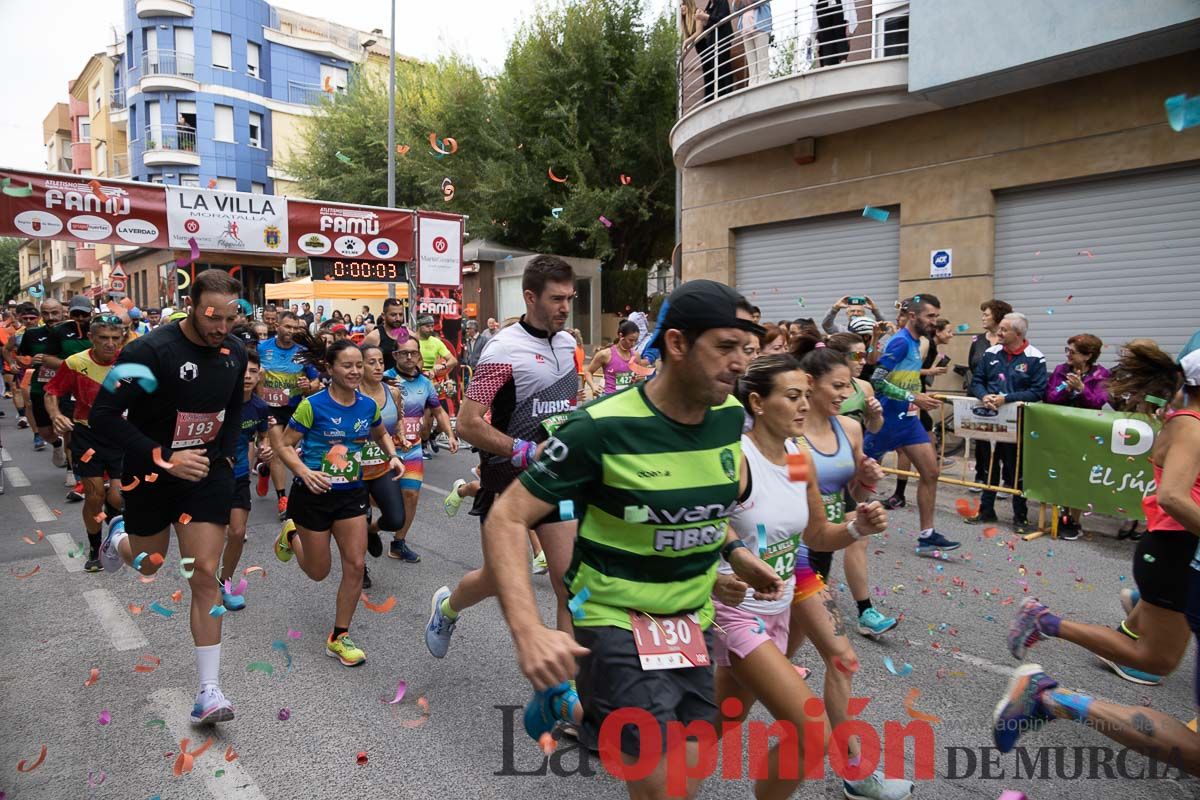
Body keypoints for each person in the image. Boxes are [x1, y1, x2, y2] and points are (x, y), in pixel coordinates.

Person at [483, 280, 786, 799]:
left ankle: (567, 704)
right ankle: (578, 699)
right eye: (725, 347)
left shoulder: (729, 418)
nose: (740, 363)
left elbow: (702, 502)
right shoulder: (597, 428)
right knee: (665, 780)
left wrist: (733, 551)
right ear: (676, 344)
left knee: (690, 762)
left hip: (691, 621)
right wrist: (528, 630)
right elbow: (507, 518)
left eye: (747, 349)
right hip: (614, 619)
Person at [995, 347, 1200, 770]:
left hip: (1176, 554)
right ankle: (1048, 685)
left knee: (1154, 657)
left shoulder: (1186, 422)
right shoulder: (1191, 427)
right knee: (1151, 659)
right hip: (1174, 553)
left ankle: (1048, 633)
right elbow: (1174, 496)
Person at [712, 353, 903, 800]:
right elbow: (692, 525)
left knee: (726, 716)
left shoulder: (798, 457)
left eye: (805, 396)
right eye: (793, 396)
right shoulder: (735, 460)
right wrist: (727, 563)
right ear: (757, 403)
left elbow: (816, 534)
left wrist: (858, 526)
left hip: (789, 589)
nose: (804, 404)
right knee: (811, 731)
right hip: (737, 611)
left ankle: (656, 759)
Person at [95, 270, 248, 723]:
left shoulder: (235, 351)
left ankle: (208, 691)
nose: (222, 326)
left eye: (230, 317)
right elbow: (103, 416)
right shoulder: (148, 351)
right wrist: (164, 456)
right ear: (191, 304)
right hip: (151, 473)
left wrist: (225, 460)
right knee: (149, 562)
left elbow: (233, 412)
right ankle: (117, 537)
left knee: (205, 574)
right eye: (212, 316)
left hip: (205, 473)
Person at [425, 256, 582, 661]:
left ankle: (568, 697)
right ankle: (447, 607)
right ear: (530, 297)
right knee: (499, 578)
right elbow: (468, 423)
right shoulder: (503, 350)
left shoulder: (569, 344)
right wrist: (525, 449)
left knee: (570, 585)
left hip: (556, 479)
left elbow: (566, 406)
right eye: (556, 298)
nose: (565, 307)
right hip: (508, 480)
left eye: (570, 297)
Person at [273, 340, 405, 667]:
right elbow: (285, 446)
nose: (356, 371)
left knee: (356, 565)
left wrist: (393, 456)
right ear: (330, 369)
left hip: (352, 494)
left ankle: (339, 637)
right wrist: (304, 471)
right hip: (314, 495)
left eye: (359, 365)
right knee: (319, 571)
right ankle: (291, 535)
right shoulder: (312, 405)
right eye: (348, 366)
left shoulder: (366, 405)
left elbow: (380, 432)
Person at [794, 338, 898, 645]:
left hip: (825, 538)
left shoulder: (850, 429)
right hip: (791, 546)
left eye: (848, 386)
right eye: (837, 386)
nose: (845, 394)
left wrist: (866, 480)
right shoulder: (786, 431)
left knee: (796, 636)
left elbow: (856, 494)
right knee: (837, 650)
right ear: (810, 383)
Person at [863, 294, 959, 554]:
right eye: (931, 316)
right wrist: (912, 396)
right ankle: (834, 526)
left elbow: (908, 377)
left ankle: (927, 536)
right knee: (857, 479)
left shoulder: (920, 342)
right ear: (914, 316)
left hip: (907, 421)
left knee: (931, 472)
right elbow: (878, 380)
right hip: (884, 420)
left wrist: (917, 399)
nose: (935, 321)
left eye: (937, 316)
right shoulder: (900, 343)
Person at [44, 313, 125, 573]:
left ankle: (113, 530)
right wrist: (56, 415)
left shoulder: (130, 362)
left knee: (117, 495)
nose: (110, 343)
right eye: (103, 338)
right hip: (87, 435)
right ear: (91, 338)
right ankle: (94, 548)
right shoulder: (75, 363)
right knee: (94, 495)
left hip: (122, 436)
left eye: (115, 338)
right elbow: (52, 392)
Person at [366, 340, 456, 564]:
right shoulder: (382, 377)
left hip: (413, 448)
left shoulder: (425, 383)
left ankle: (398, 543)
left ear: (419, 357)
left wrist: (450, 434)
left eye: (413, 353)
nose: (408, 357)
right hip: (383, 450)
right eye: (403, 353)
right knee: (384, 500)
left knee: (411, 495)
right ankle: (368, 528)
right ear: (395, 355)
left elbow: (438, 411)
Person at [966, 312, 1047, 534]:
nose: (998, 333)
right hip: (988, 419)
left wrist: (1006, 399)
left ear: (1018, 334)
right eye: (999, 328)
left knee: (1015, 470)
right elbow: (977, 381)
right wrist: (984, 396)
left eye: (1003, 330)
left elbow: (1038, 391)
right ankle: (986, 509)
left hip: (1017, 423)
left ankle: (1019, 517)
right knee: (987, 465)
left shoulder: (1035, 357)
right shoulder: (991, 353)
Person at [1045, 333, 1111, 539]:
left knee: (1080, 476)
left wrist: (1082, 389)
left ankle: (1075, 520)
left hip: (1086, 433)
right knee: (1062, 472)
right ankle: (1062, 516)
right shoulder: (1060, 370)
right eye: (1067, 350)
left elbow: (1098, 402)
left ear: (1088, 355)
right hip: (1062, 430)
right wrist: (1067, 387)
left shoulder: (1101, 374)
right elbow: (1050, 397)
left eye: (1072, 352)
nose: (1068, 355)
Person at [258, 311, 320, 520]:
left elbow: (315, 383)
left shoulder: (303, 352)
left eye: (295, 328)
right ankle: (283, 498)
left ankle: (265, 470)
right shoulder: (262, 348)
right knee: (278, 450)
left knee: (288, 450)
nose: (291, 332)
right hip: (270, 407)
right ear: (277, 326)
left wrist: (308, 385)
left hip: (293, 407)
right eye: (287, 327)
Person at [886, 318, 953, 509]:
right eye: (948, 330)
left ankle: (927, 474)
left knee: (918, 445)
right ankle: (898, 491)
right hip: (909, 399)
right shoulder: (922, 343)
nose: (951, 335)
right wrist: (928, 373)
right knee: (901, 447)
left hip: (916, 398)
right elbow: (909, 370)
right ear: (937, 331)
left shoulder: (925, 343)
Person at [224, 349, 271, 610]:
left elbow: (262, 438)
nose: (247, 376)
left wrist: (265, 448)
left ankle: (225, 583)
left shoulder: (259, 407)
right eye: (243, 371)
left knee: (238, 532)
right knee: (212, 536)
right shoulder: (217, 402)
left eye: (253, 371)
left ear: (259, 375)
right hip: (210, 479)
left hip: (240, 476)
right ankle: (208, 583)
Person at [50, 296, 95, 501]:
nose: (79, 318)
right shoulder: (60, 331)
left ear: (91, 313)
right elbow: (46, 358)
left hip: (98, 389)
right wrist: (71, 367)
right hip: (71, 389)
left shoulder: (101, 329)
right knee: (74, 432)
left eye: (83, 314)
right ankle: (76, 474)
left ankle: (103, 475)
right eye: (75, 314)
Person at [966, 299, 1013, 493]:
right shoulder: (978, 340)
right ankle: (981, 475)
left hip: (1004, 397)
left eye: (986, 314)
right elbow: (972, 364)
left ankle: (1007, 481)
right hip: (980, 396)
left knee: (1005, 441)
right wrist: (982, 392)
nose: (983, 317)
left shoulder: (1009, 340)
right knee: (982, 438)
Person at [825, 332, 884, 436]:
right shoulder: (819, 388)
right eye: (857, 356)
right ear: (838, 356)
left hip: (853, 450)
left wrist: (876, 416)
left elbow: (873, 429)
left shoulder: (864, 387)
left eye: (864, 356)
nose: (863, 362)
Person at [584, 320, 642, 396]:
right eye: (630, 340)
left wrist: (638, 379)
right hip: (610, 398)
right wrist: (593, 386)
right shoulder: (605, 354)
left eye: (636, 341)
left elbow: (639, 377)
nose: (633, 344)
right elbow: (588, 372)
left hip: (628, 398)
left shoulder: (636, 355)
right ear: (621, 336)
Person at [694, 0, 734, 102]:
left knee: (723, 66)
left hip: (722, 38)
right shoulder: (710, 4)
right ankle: (719, 95)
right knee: (715, 69)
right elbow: (710, 24)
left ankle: (728, 94)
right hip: (712, 42)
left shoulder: (721, 1)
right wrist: (703, 21)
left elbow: (722, 19)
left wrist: (705, 17)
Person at [363, 297, 407, 374]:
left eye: (400, 314)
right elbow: (363, 363)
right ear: (383, 315)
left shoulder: (409, 335)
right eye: (393, 315)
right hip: (381, 383)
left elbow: (419, 359)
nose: (398, 318)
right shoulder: (374, 337)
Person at [737, 0, 771, 86]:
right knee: (751, 59)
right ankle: (752, 82)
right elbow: (736, 8)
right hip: (746, 27)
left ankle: (763, 81)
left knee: (762, 56)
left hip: (760, 25)